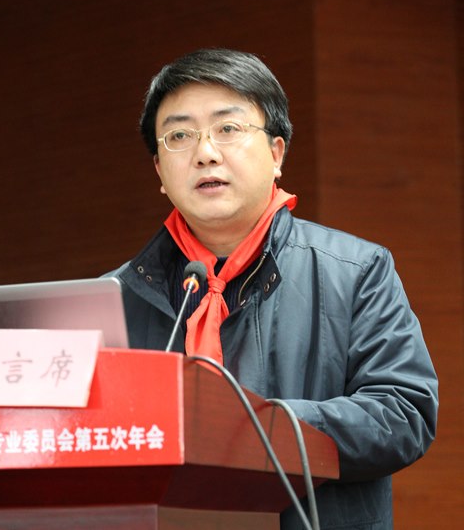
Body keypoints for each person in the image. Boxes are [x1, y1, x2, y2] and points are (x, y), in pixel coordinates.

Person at [110, 48, 438, 529]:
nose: (205, 153)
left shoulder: (356, 271)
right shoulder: (116, 296)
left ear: (276, 153)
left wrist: (258, 428)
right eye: (179, 136)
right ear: (160, 171)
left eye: (228, 128)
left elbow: (404, 414)